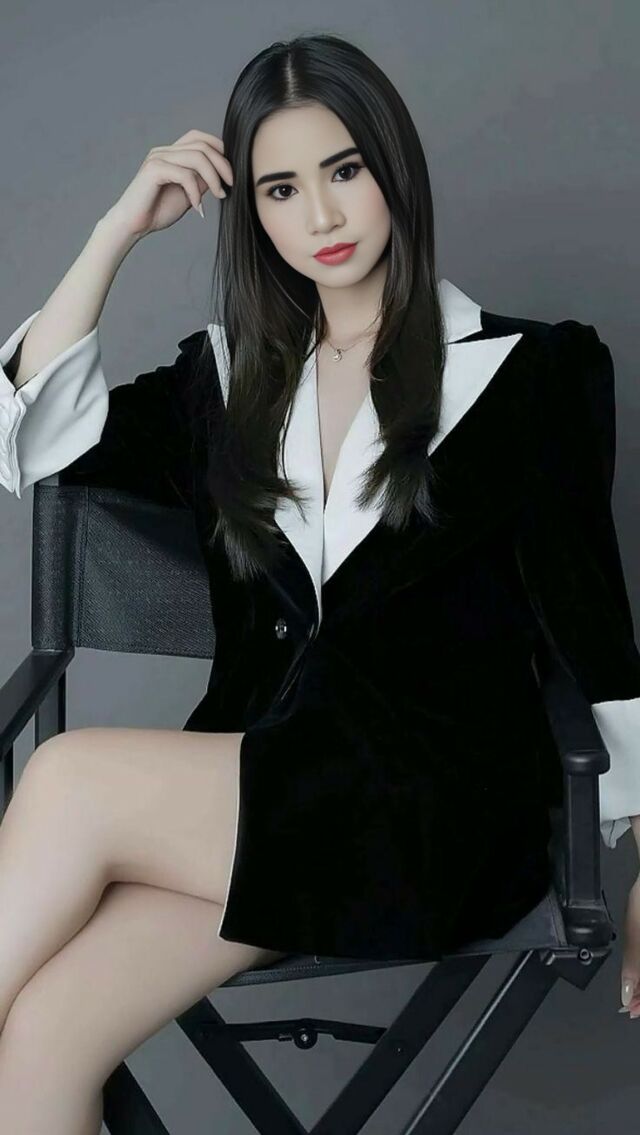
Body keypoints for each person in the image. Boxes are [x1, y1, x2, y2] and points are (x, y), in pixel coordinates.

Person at [1, 30, 640, 1131]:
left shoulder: (530, 373)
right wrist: (116, 232)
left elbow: (597, 632)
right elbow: (39, 440)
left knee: (65, 778)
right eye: (281, 190)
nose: (323, 216)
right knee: (43, 1040)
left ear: (393, 167)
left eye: (344, 170)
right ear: (253, 213)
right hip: (276, 811)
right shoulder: (224, 385)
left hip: (435, 810)